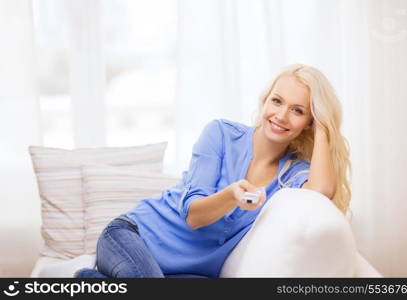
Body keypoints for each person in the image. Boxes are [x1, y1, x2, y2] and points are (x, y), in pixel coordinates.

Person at [74, 64, 351, 278]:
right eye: (276, 101)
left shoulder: (291, 173)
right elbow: (195, 216)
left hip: (185, 272)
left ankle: (91, 280)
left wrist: (325, 126)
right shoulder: (220, 134)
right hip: (132, 237)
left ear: (309, 122)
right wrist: (231, 196)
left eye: (298, 110)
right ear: (265, 101)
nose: (281, 116)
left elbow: (320, 193)